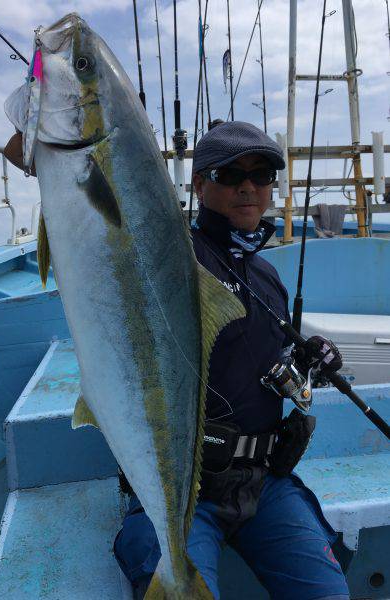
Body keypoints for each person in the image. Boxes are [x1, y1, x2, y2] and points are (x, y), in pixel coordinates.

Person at [113, 121, 350, 600]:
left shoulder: (267, 277)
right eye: (228, 174)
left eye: (261, 174)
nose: (248, 186)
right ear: (199, 184)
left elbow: (255, 359)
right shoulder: (172, 258)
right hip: (187, 486)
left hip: (265, 485)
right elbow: (114, 219)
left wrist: (305, 358)